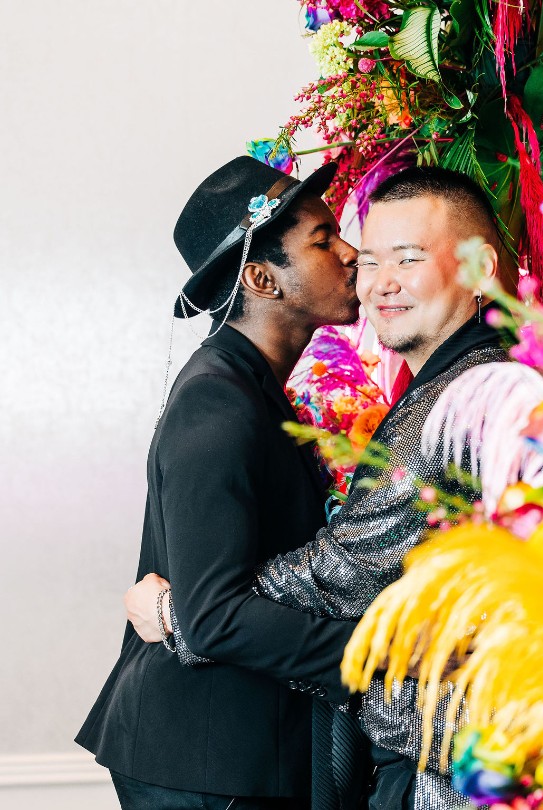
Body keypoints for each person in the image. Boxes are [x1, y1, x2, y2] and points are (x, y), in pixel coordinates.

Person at [130, 166, 543, 809]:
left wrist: (180, 615)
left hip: (463, 765)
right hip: (229, 757)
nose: (372, 277)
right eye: (365, 256)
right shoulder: (226, 398)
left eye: (408, 258)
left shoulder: (466, 402)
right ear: (260, 280)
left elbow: (338, 572)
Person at [77, 156, 364, 810]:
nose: (352, 253)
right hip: (206, 765)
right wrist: (377, 658)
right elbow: (211, 619)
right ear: (262, 278)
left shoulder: (250, 390)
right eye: (324, 241)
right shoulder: (220, 405)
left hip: (228, 755)